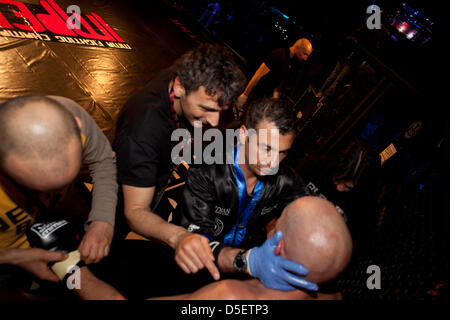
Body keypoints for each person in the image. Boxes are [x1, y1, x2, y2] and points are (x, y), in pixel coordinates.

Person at [74, 196, 352, 300]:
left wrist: (72, 272)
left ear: (278, 245)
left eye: (280, 218)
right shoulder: (333, 296)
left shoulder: (229, 298)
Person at [170, 97, 317, 291]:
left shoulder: (284, 178)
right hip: (187, 266)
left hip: (238, 271)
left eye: (282, 153)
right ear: (243, 135)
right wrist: (248, 261)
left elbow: (310, 210)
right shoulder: (207, 169)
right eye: (266, 148)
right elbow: (198, 244)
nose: (273, 162)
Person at [113, 43, 246, 244]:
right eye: (207, 109)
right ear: (179, 87)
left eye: (221, 109)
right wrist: (180, 237)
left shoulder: (191, 75)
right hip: (122, 198)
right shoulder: (143, 132)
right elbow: (135, 211)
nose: (215, 121)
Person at [0, 95, 117, 292]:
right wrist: (12, 257)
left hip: (59, 230)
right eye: (37, 189)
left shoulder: (64, 116)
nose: (58, 194)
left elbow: (102, 161)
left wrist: (102, 221)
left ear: (76, 125)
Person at [236, 38, 313, 109]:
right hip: (256, 95)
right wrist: (245, 94)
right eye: (305, 54)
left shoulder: (293, 63)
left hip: (264, 101)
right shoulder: (278, 54)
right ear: (297, 47)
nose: (305, 58)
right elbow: (258, 74)